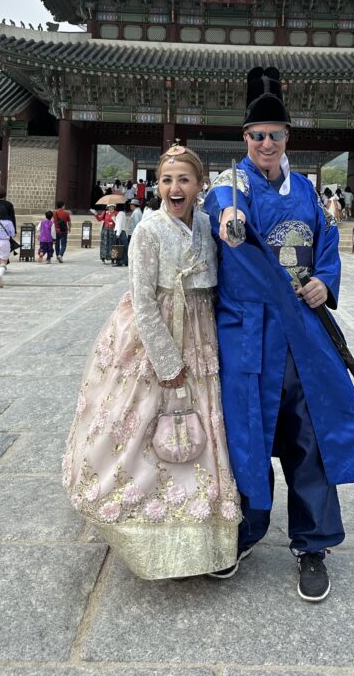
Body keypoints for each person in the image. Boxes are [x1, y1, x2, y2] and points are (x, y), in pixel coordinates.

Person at [204, 66, 354, 602]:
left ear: (287, 137)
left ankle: (312, 543)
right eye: (257, 135)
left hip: (303, 332)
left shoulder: (306, 190)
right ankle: (244, 531)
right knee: (246, 433)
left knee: (311, 434)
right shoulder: (230, 187)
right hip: (248, 331)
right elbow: (226, 218)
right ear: (245, 138)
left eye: (275, 135)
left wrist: (325, 282)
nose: (266, 144)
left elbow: (327, 246)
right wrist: (229, 221)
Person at [63, 143, 241, 579]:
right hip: (156, 332)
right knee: (140, 421)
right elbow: (142, 301)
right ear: (157, 185)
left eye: (183, 179)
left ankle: (203, 525)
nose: (174, 188)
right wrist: (166, 361)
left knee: (200, 420)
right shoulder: (148, 229)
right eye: (166, 180)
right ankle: (140, 513)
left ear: (199, 185)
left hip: (199, 329)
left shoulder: (206, 224)